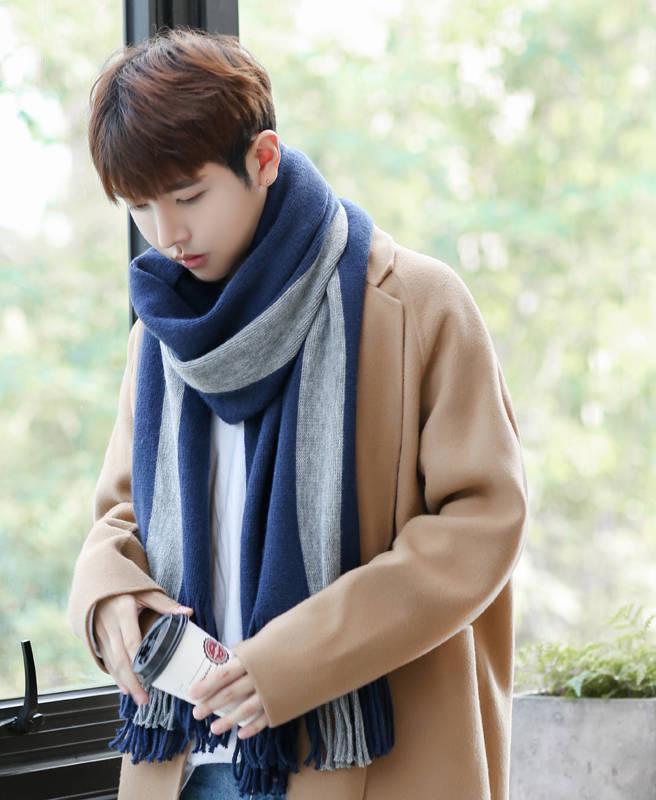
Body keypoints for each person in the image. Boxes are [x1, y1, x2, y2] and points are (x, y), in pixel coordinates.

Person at [67, 25, 528, 800]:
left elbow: (483, 523)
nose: (167, 234)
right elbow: (122, 514)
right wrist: (107, 592)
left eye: (188, 197)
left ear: (263, 159)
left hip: (366, 759)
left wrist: (293, 661)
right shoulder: (160, 335)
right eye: (140, 206)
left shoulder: (414, 305)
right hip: (184, 762)